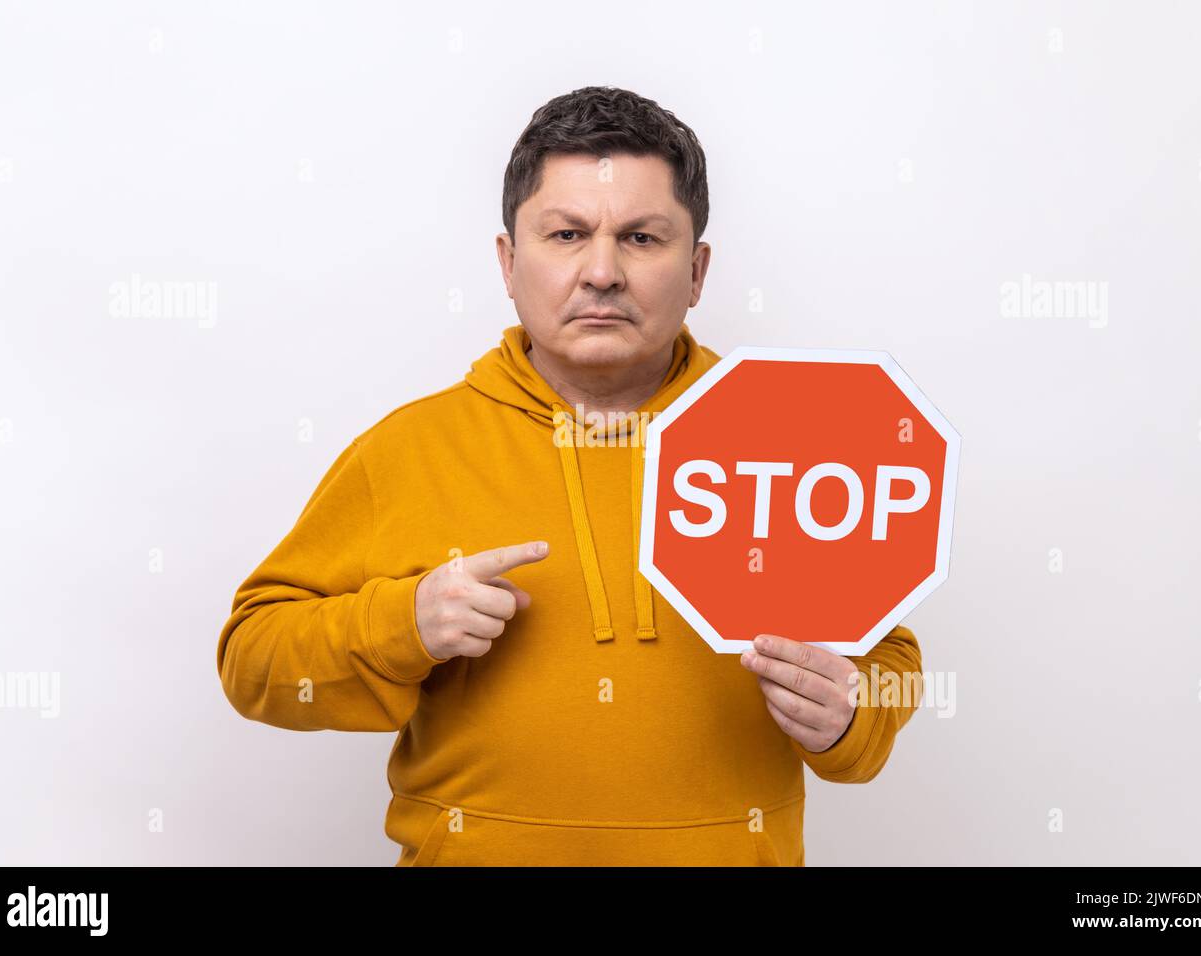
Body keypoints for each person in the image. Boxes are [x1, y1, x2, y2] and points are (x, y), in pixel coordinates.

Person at [215, 85, 923, 866]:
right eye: (567, 233)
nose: (602, 272)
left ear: (697, 271)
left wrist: (852, 716)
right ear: (510, 262)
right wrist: (401, 625)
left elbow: (888, 657)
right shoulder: (408, 450)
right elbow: (253, 659)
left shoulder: (794, 445)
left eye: (643, 238)